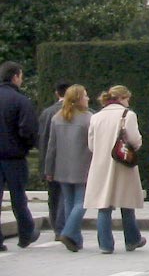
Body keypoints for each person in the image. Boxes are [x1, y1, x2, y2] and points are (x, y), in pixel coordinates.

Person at [83, 85, 146, 254]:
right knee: (127, 203)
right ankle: (132, 239)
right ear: (122, 98)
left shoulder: (96, 117)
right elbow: (135, 141)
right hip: (122, 162)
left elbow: (91, 145)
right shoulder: (128, 115)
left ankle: (105, 244)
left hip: (101, 164)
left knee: (104, 205)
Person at [45, 84, 92, 252]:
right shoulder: (88, 119)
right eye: (85, 96)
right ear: (78, 99)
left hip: (62, 167)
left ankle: (75, 240)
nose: (88, 98)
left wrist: (49, 169)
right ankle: (68, 232)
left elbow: (52, 147)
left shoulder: (57, 117)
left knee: (69, 202)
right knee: (82, 202)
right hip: (83, 166)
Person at [0, 60, 40, 250]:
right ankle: (26, 233)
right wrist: (25, 145)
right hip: (14, 157)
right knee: (18, 199)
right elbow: (28, 129)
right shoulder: (21, 100)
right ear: (15, 76)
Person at [38, 80, 71, 241]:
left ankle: (57, 228)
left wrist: (45, 166)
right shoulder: (82, 112)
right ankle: (64, 227)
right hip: (71, 162)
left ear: (57, 93)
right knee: (68, 195)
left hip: (51, 160)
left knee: (54, 195)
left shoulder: (47, 112)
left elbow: (43, 140)